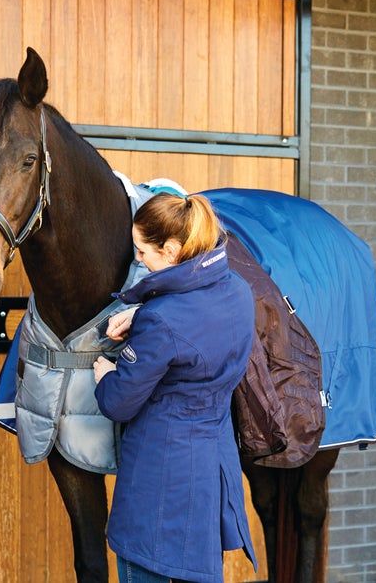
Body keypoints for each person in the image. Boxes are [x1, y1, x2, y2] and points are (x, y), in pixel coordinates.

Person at [93, 192, 257, 583]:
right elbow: (198, 325)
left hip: (157, 485)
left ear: (170, 250)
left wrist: (104, 377)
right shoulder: (238, 291)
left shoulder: (162, 321)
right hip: (208, 474)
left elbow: (119, 402)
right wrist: (144, 312)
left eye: (142, 251)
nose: (137, 259)